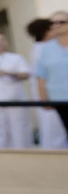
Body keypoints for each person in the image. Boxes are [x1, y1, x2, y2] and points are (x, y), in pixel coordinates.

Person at [29, 16, 68, 148]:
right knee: (54, 130)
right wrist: (44, 97)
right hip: (54, 96)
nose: (56, 27)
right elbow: (41, 75)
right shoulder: (43, 48)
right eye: (53, 25)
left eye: (61, 22)